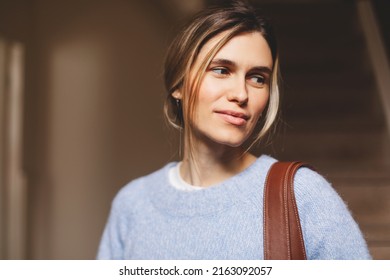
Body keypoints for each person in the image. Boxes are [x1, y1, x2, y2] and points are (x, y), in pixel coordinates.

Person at [97, 0, 371, 260]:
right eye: (221, 70)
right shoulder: (132, 205)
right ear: (178, 85)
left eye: (257, 78)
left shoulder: (304, 196)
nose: (241, 94)